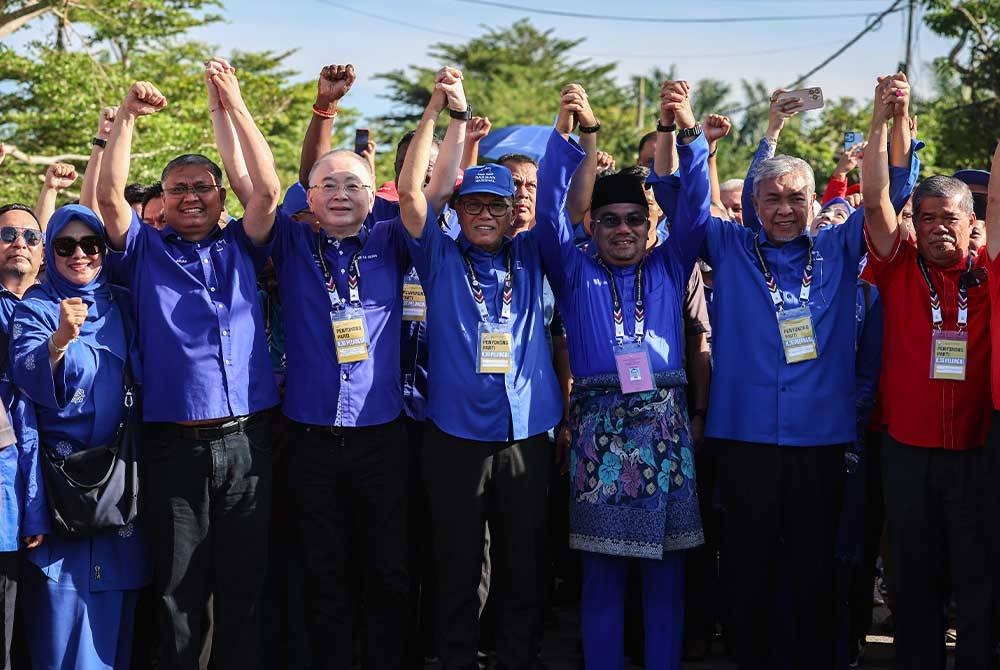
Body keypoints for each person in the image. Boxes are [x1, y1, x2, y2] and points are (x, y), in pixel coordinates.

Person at [654, 74, 919, 669]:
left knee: (815, 563)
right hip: (744, 435)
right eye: (771, 199)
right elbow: (691, 208)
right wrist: (691, 128)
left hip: (820, 439)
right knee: (747, 563)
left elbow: (887, 191)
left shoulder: (838, 249)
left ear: (813, 205)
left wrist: (884, 118)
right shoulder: (730, 247)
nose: (782, 209)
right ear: (754, 204)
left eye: (795, 199)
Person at [96, 73, 279, 669]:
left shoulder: (240, 246)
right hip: (173, 443)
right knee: (179, 588)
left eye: (203, 187)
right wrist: (125, 114)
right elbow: (108, 198)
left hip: (248, 437)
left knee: (245, 583)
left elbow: (268, 191)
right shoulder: (144, 250)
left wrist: (232, 105)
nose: (191, 197)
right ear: (164, 201)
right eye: (178, 189)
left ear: (220, 195)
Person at [535, 81, 707, 670]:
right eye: (609, 220)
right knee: (602, 574)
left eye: (635, 218)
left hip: (665, 428)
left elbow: (694, 208)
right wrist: (573, 133)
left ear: (649, 224)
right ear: (593, 226)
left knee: (667, 576)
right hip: (598, 430)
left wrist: (682, 133)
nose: (624, 229)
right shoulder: (571, 267)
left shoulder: (671, 261)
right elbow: (549, 210)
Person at [398, 67, 560, 670]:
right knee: (458, 561)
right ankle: (456, 657)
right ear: (459, 209)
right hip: (455, 435)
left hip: (526, 434)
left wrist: (576, 130)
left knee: (524, 560)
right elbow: (415, 191)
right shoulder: (437, 253)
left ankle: (517, 657)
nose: (485, 213)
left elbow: (566, 197)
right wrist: (441, 112)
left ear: (513, 209)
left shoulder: (533, 250)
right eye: (473, 203)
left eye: (497, 203)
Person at [865, 74, 994, 670]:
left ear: (974, 222)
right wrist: (881, 119)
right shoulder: (897, 265)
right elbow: (874, 201)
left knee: (976, 576)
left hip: (974, 448)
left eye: (951, 217)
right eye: (928, 216)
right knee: (914, 576)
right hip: (907, 449)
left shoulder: (990, 271)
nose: (939, 227)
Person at [10, 204, 149, 669]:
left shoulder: (125, 302)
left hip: (120, 488)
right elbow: (27, 379)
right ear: (50, 251)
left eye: (90, 244)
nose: (80, 255)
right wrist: (60, 341)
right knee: (60, 626)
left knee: (115, 627)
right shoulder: (37, 306)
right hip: (62, 491)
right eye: (65, 245)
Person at [0, 203, 47, 669]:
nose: (20, 243)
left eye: (31, 237)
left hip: (46, 495)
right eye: (9, 234)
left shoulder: (54, 307)